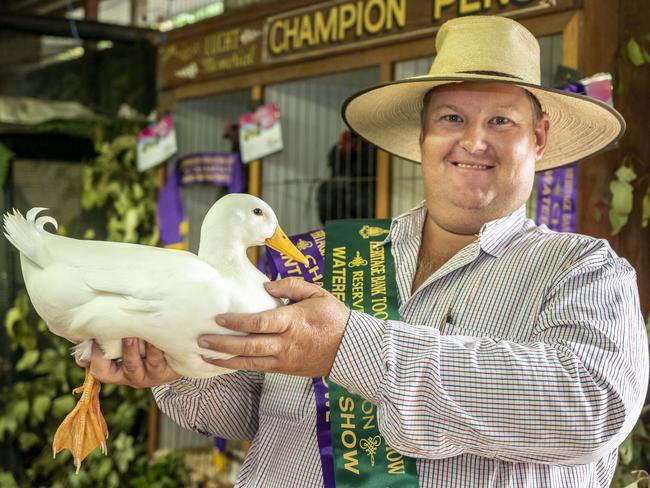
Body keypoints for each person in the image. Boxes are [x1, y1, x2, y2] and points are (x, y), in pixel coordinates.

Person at [80, 16, 648, 487]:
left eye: (501, 121)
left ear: (539, 138)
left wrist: (350, 347)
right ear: (423, 134)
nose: (474, 140)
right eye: (452, 118)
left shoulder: (585, 272)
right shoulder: (324, 256)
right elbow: (241, 412)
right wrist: (176, 364)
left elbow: (590, 407)